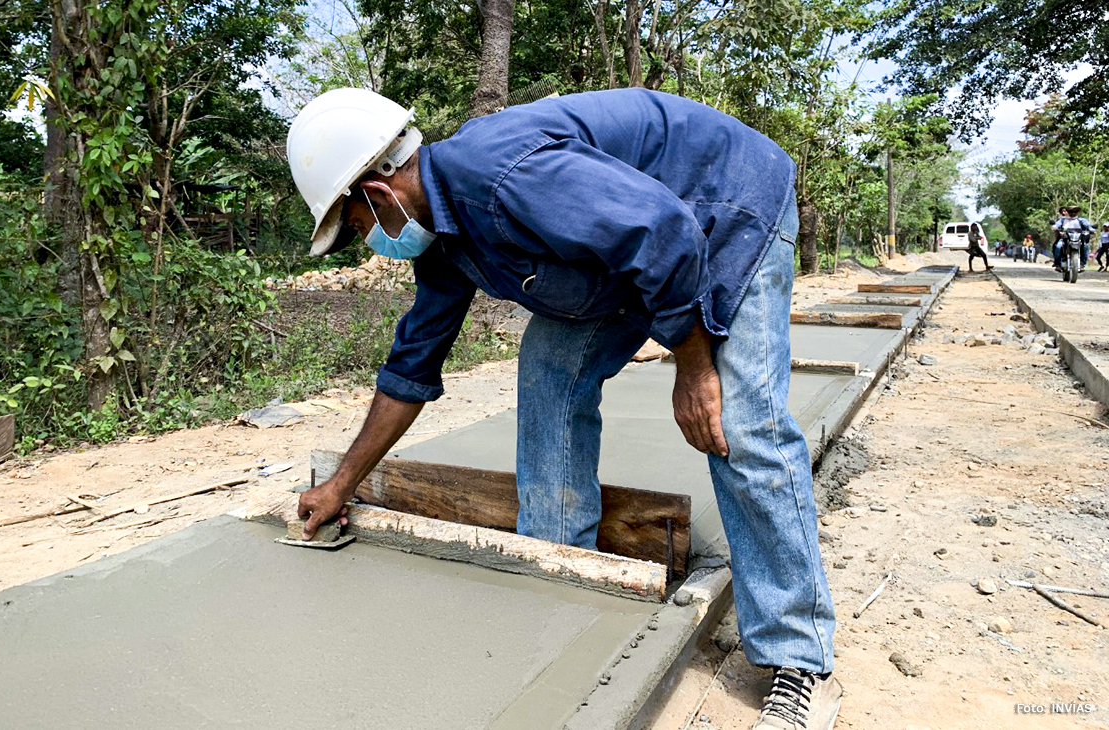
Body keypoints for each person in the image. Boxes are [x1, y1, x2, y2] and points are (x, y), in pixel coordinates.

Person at [287, 88, 841, 730]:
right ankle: (562, 570)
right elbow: (411, 367)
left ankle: (800, 661)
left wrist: (694, 367)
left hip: (724, 210)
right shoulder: (444, 236)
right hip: (639, 252)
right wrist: (341, 484)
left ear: (379, 194)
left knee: (740, 426)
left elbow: (663, 231)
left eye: (356, 228)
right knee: (550, 368)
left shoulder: (504, 175)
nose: (367, 243)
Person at [1052, 206, 1094, 271]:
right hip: (1065, 238)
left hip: (1078, 239)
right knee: (1058, 246)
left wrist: (1091, 230)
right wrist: (1054, 228)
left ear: (1078, 212)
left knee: (1085, 246)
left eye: (1075, 212)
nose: (1073, 213)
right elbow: (1056, 225)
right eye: (1071, 212)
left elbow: (1088, 226)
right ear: (1068, 212)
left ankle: (1082, 264)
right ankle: (1058, 264)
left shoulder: (1082, 220)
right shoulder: (1063, 220)